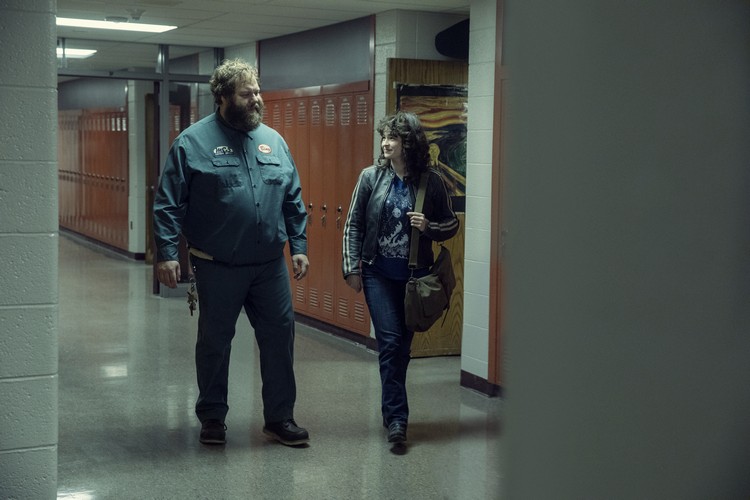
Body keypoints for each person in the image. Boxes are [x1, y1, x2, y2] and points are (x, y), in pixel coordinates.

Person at [153, 58, 310, 447]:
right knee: (215, 342)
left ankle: (280, 417)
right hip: (217, 264)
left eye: (257, 91)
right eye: (246, 93)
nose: (256, 99)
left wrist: (299, 246)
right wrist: (167, 252)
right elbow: (169, 202)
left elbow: (292, 198)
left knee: (279, 338)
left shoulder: (273, 141)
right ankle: (212, 416)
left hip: (269, 265)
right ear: (222, 97)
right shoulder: (191, 142)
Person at [342, 111, 459, 445]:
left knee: (401, 350)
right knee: (391, 343)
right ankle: (397, 419)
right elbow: (353, 223)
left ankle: (391, 409)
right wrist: (351, 268)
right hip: (377, 274)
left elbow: (451, 224)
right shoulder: (370, 177)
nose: (385, 143)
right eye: (384, 137)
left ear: (409, 143)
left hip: (413, 279)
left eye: (392, 137)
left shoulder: (431, 182)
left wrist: (429, 226)